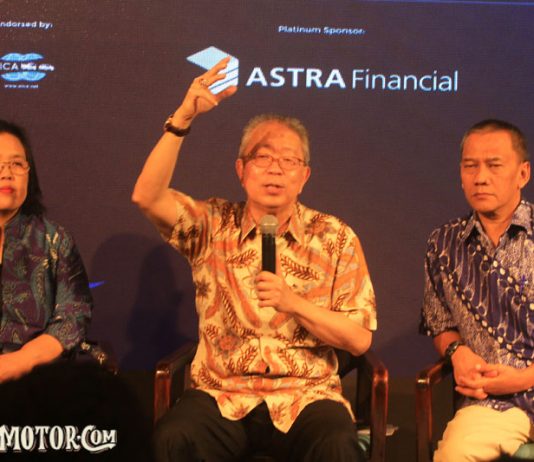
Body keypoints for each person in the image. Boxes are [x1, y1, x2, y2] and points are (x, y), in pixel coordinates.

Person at [132, 58, 377, 462]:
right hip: (222, 394)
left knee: (336, 444)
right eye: (263, 158)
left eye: (289, 161)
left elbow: (359, 338)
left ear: (304, 176)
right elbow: (146, 196)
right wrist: (183, 118)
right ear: (241, 170)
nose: (275, 170)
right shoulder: (212, 225)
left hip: (305, 396)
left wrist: (293, 303)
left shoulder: (335, 237)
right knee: (175, 437)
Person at [421, 119, 533, 461]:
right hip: (492, 402)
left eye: (494, 165)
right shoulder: (444, 244)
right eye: (471, 166)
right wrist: (457, 352)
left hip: (522, 381)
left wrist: (523, 378)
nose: (480, 177)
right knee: (454, 454)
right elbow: (439, 324)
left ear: (523, 174)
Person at [0, 120, 92, 383]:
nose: (7, 173)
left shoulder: (54, 240)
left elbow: (74, 316)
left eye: (17, 164)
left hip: (33, 381)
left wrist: (20, 361)